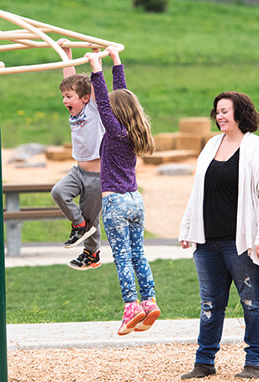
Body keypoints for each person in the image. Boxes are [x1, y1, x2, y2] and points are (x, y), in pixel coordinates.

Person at [178, 91, 259, 380]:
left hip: (242, 243)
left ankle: (254, 361)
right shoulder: (211, 145)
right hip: (207, 242)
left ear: (240, 114)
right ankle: (204, 361)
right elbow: (198, 191)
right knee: (210, 304)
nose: (219, 116)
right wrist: (187, 228)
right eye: (217, 111)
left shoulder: (256, 148)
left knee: (252, 301)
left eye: (225, 111)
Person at [84, 47, 161, 336]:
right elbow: (121, 96)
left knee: (122, 256)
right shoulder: (130, 131)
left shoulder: (114, 134)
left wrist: (95, 68)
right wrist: (115, 60)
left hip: (115, 202)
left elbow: (105, 102)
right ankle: (149, 300)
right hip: (135, 201)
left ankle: (131, 306)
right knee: (138, 253)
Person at [51, 38, 104, 270]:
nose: (65, 101)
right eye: (63, 97)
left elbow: (98, 85)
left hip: (96, 177)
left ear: (85, 98)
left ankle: (92, 254)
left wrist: (95, 55)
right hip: (78, 171)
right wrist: (66, 52)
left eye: (69, 97)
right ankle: (78, 225)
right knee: (58, 192)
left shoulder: (93, 108)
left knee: (93, 219)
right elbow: (69, 80)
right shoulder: (74, 110)